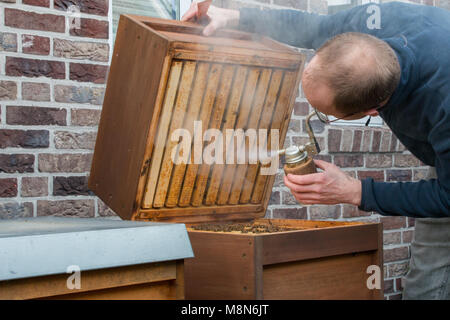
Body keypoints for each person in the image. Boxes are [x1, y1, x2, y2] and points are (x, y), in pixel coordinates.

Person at [182, 1, 450, 299]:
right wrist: (239, 16)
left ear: (372, 111)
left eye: (325, 114)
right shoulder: (372, 21)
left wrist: (356, 191)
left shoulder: (443, 102)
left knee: (428, 285)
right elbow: (312, 26)